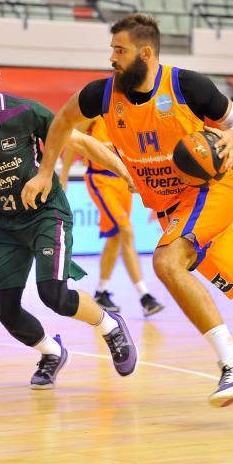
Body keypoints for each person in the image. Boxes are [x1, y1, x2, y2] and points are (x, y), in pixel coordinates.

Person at [22, 14, 233, 409]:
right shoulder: (101, 95)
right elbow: (62, 122)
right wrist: (46, 171)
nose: (112, 58)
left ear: (145, 52)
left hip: (210, 192)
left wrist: (232, 137)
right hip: (173, 211)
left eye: (120, 50)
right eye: (112, 50)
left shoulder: (187, 85)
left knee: (168, 261)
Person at [0, 44, 138, 390]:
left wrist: (126, 173)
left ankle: (110, 326)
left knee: (55, 296)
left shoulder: (24, 111)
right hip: (3, 221)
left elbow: (79, 142)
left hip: (46, 212)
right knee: (6, 310)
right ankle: (51, 352)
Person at [61, 115, 165, 317]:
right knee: (126, 230)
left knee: (115, 238)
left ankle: (101, 292)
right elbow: (72, 139)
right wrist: (64, 176)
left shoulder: (133, 117)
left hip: (125, 182)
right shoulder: (94, 114)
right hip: (100, 180)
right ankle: (145, 296)